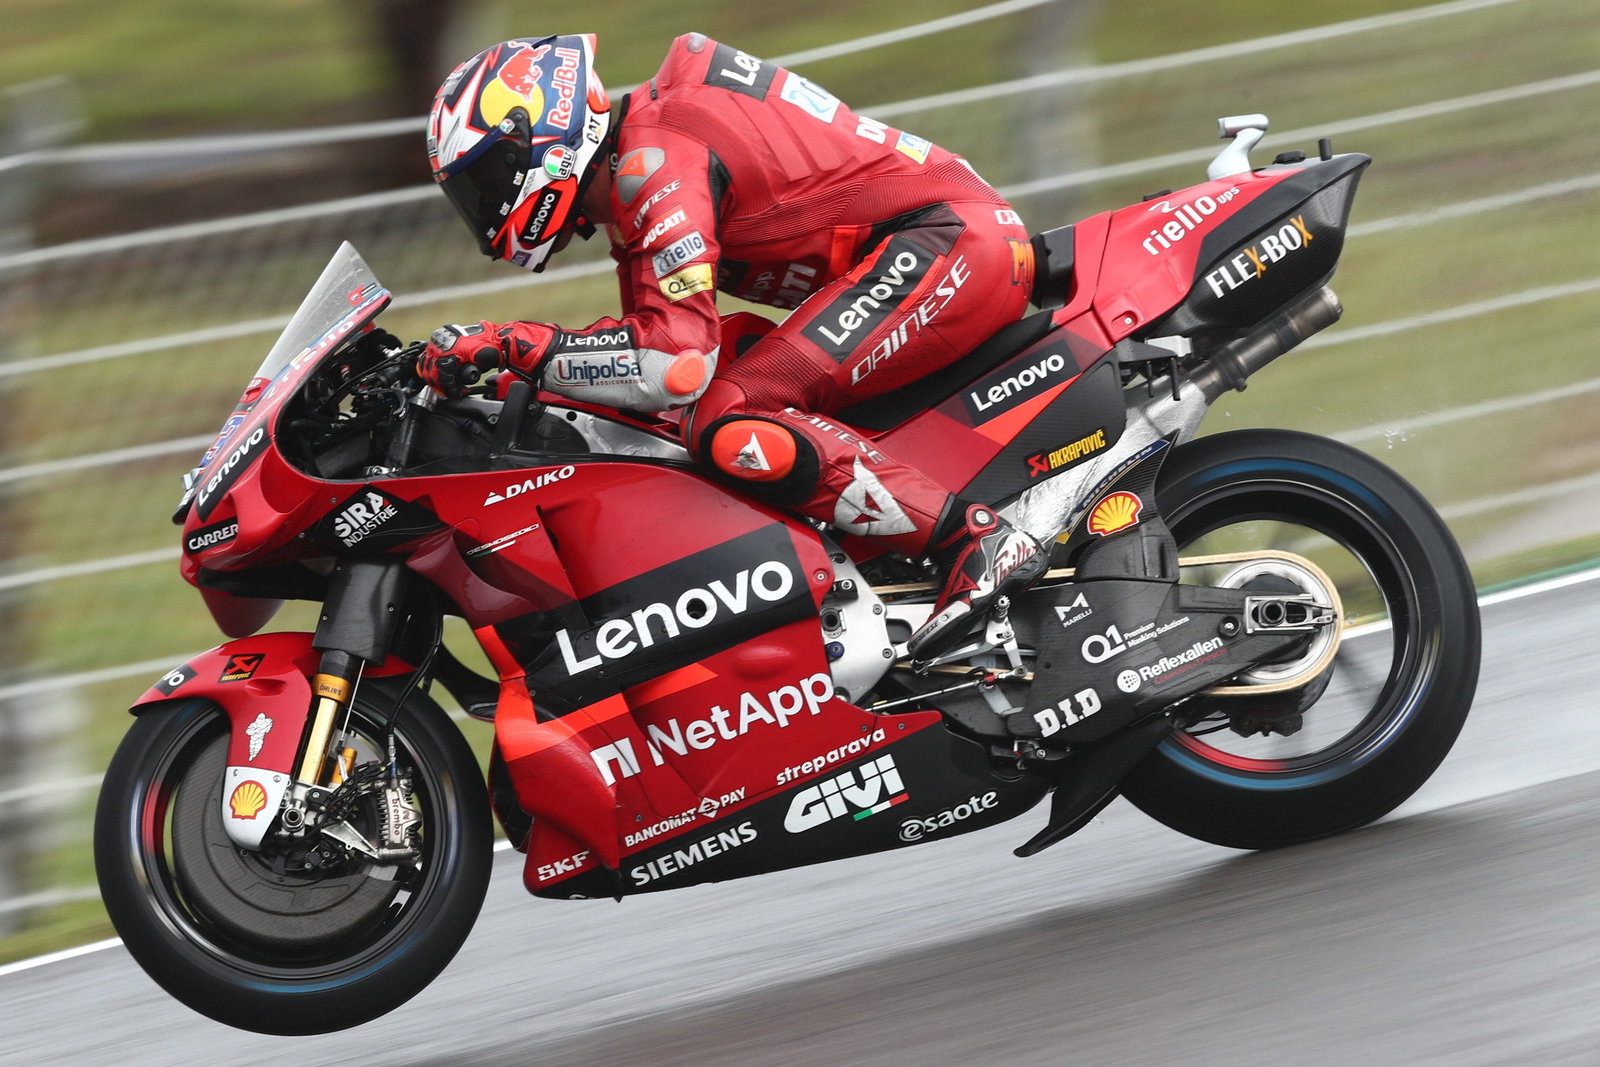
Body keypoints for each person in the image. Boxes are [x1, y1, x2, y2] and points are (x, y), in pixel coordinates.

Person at [420, 32, 1046, 662]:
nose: (486, 203)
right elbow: (642, 358)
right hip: (940, 241)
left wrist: (516, 347)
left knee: (727, 415)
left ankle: (974, 540)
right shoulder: (644, 156)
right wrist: (515, 377)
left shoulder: (658, 159)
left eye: (489, 176)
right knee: (703, 404)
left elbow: (671, 367)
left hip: (945, 245)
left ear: (542, 135)